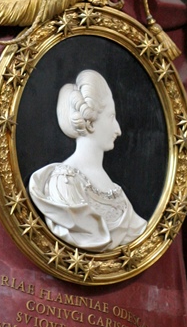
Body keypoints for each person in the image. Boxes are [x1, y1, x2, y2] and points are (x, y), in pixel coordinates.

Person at [29, 69, 146, 250]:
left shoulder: (113, 187)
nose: (118, 129)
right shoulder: (63, 181)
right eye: (111, 117)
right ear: (90, 122)